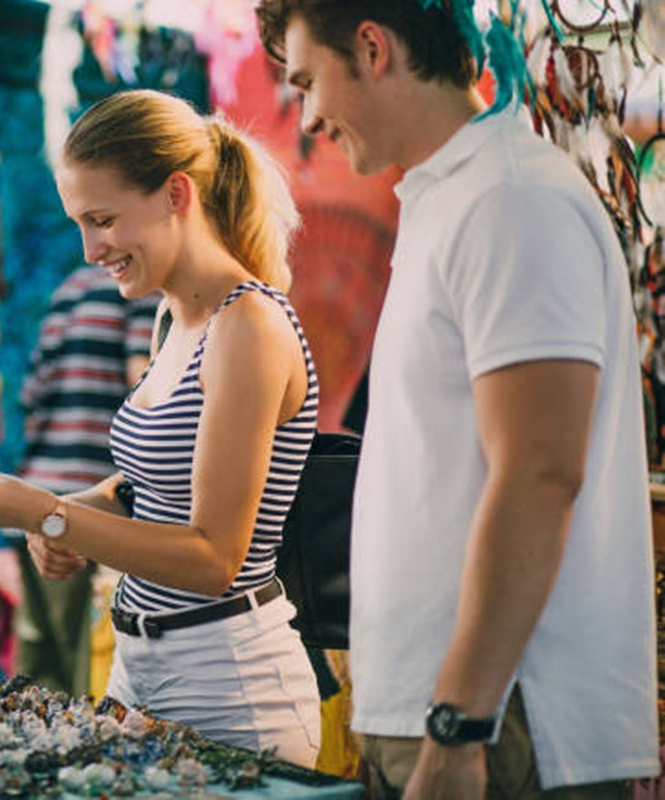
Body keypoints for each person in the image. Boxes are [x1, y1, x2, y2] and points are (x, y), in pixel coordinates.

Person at [255, 2, 659, 798]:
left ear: (372, 48)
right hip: (453, 718)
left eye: (307, 82)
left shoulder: (512, 201)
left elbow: (540, 475)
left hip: (503, 729)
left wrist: (457, 724)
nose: (306, 118)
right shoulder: (453, 195)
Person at [0, 88, 322, 766]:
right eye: (80, 222)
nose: (88, 249)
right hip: (143, 670)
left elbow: (214, 559)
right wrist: (24, 507)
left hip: (229, 689)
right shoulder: (175, 318)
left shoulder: (247, 325)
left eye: (102, 219)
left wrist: (48, 515)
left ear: (175, 195)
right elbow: (143, 487)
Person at [13, 264, 158, 696]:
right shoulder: (142, 292)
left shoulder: (67, 288)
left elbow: (30, 396)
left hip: (37, 495)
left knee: (37, 677)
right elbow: (145, 384)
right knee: (86, 673)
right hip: (92, 503)